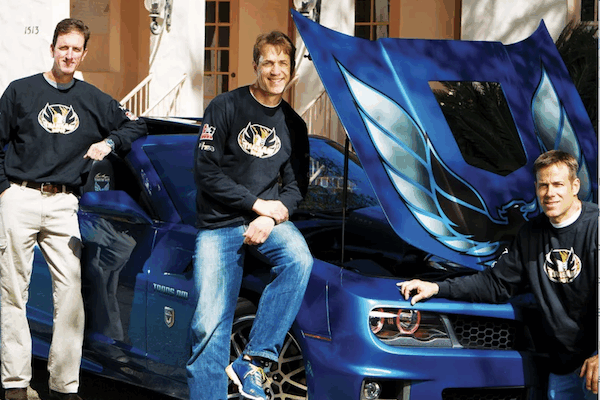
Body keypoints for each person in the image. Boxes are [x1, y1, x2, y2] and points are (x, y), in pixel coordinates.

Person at [0, 18, 147, 400]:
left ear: (84, 54)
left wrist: (109, 143)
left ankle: (64, 387)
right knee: (13, 293)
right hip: (20, 196)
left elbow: (136, 126)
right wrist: (3, 190)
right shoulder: (20, 91)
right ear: (52, 49)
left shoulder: (93, 99)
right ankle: (15, 385)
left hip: (65, 202)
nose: (68, 55)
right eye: (63, 47)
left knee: (70, 297)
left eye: (76, 49)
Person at [398, 150, 598, 400]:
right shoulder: (531, 234)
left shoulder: (595, 227)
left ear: (575, 186)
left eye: (558, 184)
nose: (550, 193)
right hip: (563, 365)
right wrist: (438, 288)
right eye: (543, 185)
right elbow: (495, 284)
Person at [187, 30, 313, 400]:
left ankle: (254, 360)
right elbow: (206, 172)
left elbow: (296, 188)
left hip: (265, 223)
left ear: (292, 69)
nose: (276, 70)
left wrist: (271, 217)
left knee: (299, 260)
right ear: (255, 66)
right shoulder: (225, 106)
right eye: (268, 62)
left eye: (283, 63)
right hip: (218, 224)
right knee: (208, 327)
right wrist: (257, 205)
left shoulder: (294, 125)